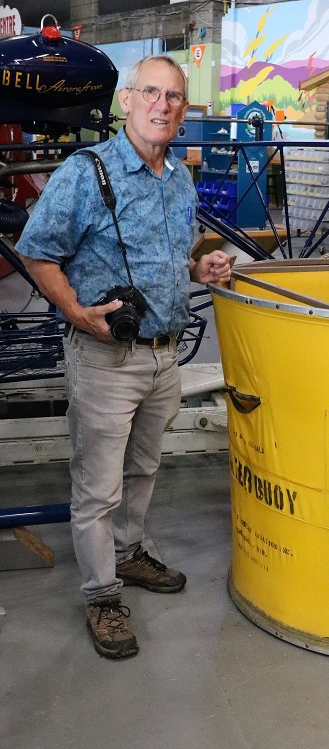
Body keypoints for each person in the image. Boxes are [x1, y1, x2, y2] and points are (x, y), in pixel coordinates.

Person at [17, 55, 233, 660]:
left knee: (142, 470)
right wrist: (75, 311)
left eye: (175, 97)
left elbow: (166, 254)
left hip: (164, 356)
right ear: (127, 100)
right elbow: (37, 252)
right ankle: (101, 595)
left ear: (183, 109)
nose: (163, 105)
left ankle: (130, 552)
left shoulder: (179, 178)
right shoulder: (86, 173)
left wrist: (198, 268)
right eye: (152, 92)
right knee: (98, 487)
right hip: (105, 358)